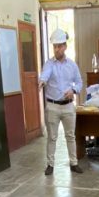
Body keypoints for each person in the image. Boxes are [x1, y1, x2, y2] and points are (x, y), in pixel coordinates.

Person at [39, 28, 83, 175]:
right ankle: (50, 165)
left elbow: (79, 82)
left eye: (59, 46)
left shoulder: (72, 65)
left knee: (70, 136)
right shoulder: (49, 64)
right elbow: (45, 75)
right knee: (52, 137)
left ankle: (74, 163)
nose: (56, 49)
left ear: (65, 46)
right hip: (52, 106)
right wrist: (42, 81)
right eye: (54, 46)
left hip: (68, 106)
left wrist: (74, 90)